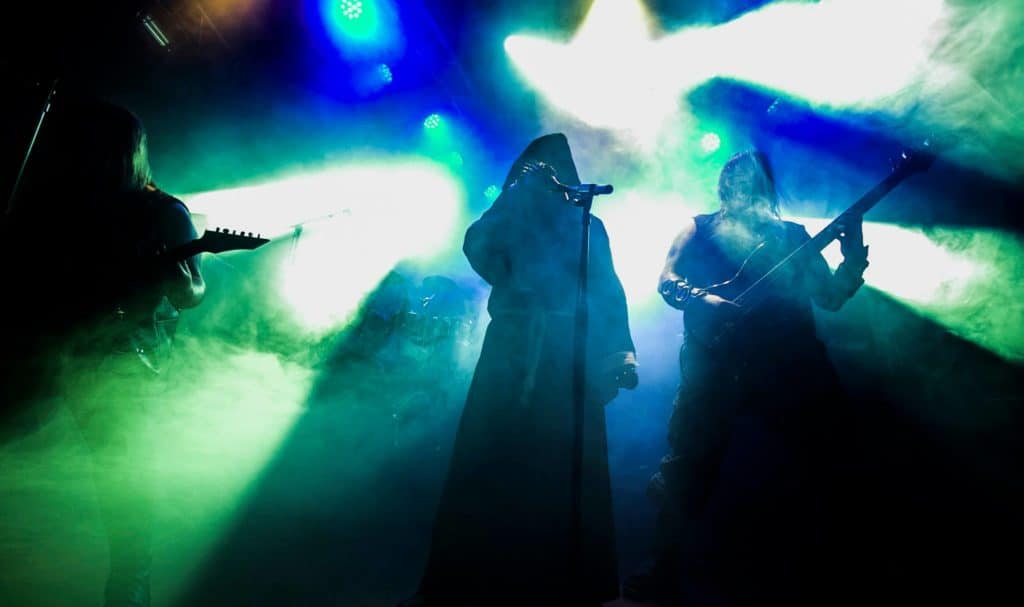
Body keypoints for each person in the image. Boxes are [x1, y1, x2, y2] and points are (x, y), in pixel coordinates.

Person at [402, 133, 637, 607]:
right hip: (511, 347)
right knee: (492, 455)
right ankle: (474, 577)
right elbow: (478, 249)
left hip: (569, 353)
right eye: (536, 169)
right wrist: (515, 199)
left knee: (564, 465)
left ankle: (564, 580)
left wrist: (617, 357)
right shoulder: (512, 216)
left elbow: (607, 290)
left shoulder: (587, 223)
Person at [624, 150, 868, 605]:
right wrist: (704, 300)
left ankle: (835, 571)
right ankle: (662, 566)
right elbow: (666, 280)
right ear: (725, 186)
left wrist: (852, 257)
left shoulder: (793, 236)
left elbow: (830, 297)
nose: (747, 190)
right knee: (689, 466)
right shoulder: (698, 228)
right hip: (716, 364)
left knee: (830, 457)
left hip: (790, 364)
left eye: (757, 183)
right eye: (739, 181)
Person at [1, 101, 204, 607]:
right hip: (60, 353)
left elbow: (193, 292)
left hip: (128, 361)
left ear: (126, 152)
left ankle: (130, 588)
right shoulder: (72, 205)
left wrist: (182, 284)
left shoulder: (166, 212)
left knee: (123, 479)